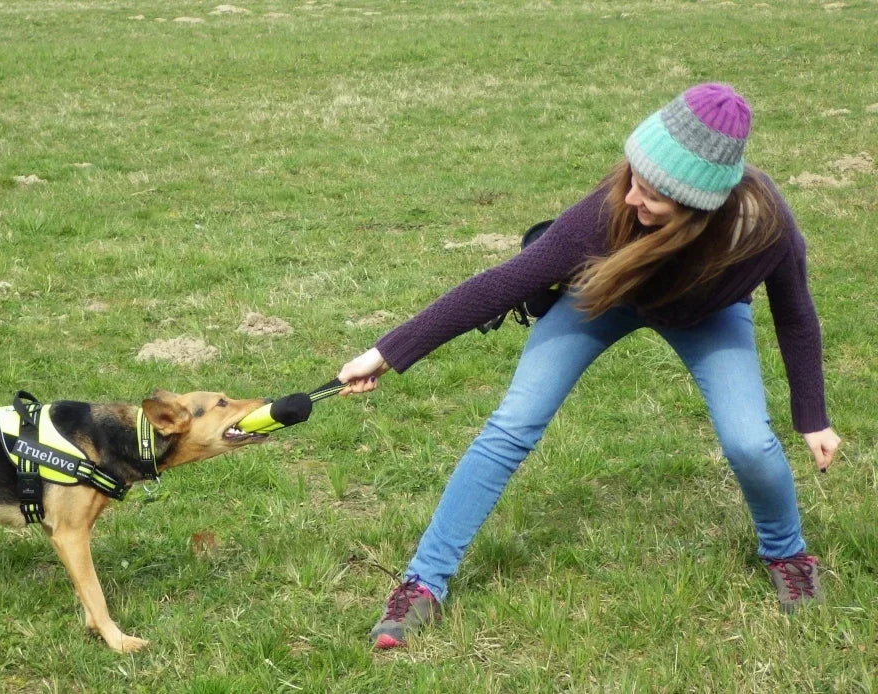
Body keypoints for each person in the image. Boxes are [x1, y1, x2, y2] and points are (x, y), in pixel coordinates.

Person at [335, 83, 841, 649]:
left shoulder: (762, 226)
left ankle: (787, 554)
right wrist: (384, 353)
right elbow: (502, 282)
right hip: (606, 292)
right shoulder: (605, 215)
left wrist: (812, 416)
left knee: (750, 441)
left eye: (652, 195)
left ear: (698, 210)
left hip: (706, 314)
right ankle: (422, 583)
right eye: (634, 180)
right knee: (512, 423)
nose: (630, 198)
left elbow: (795, 315)